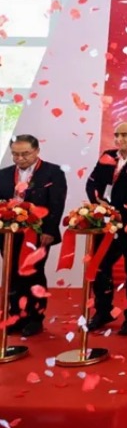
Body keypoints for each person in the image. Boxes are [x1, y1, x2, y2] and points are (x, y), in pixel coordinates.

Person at [0, 134, 67, 337]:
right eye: (15, 154)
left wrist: (50, 230)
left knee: (33, 274)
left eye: (25, 154)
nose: (20, 158)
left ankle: (35, 317)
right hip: (9, 234)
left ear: (37, 151)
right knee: (12, 274)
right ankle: (16, 315)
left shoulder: (52, 172)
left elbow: (56, 203)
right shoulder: (4, 174)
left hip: (37, 234)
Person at [84, 120, 127, 334]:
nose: (120, 139)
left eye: (125, 135)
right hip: (107, 223)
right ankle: (102, 310)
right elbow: (92, 182)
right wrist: (98, 203)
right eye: (117, 134)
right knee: (100, 266)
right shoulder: (108, 155)